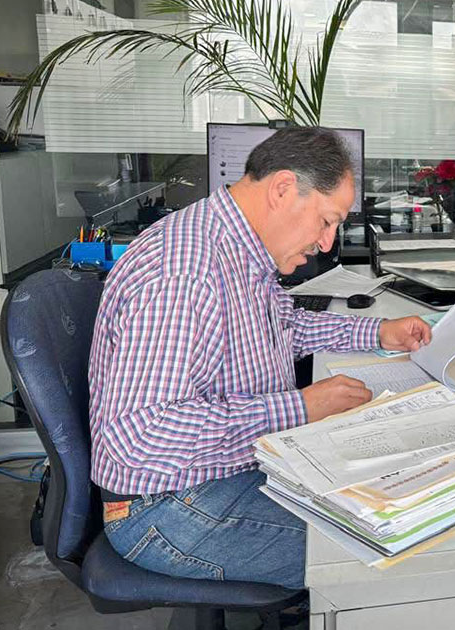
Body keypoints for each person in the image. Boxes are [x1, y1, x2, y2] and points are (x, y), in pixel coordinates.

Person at [87, 127, 431, 590]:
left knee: (394, 490)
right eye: (326, 221)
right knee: (395, 544)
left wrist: (376, 332)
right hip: (166, 504)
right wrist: (300, 408)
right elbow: (141, 436)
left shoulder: (235, 246)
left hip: (219, 474)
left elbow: (283, 327)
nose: (326, 243)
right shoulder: (183, 273)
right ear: (283, 189)